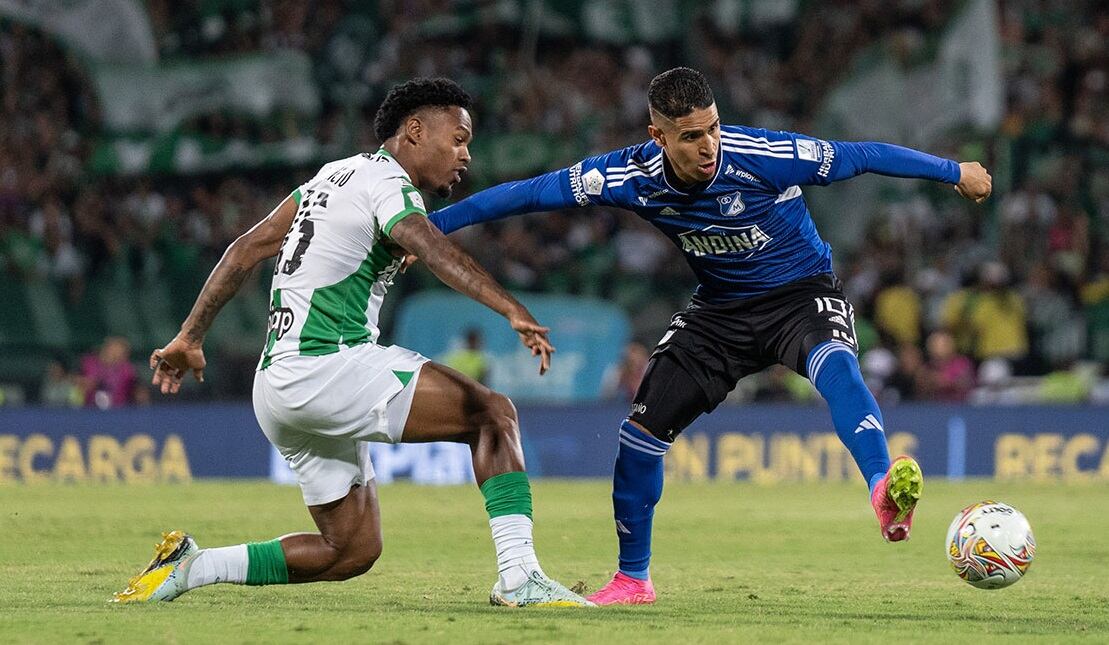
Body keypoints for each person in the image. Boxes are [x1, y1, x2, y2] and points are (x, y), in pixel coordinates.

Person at [428, 67, 992, 604]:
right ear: (658, 136)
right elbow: (525, 194)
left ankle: (880, 487)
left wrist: (953, 171)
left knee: (837, 365)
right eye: (692, 137)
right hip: (719, 315)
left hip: (800, 295)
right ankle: (632, 579)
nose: (709, 146)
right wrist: (429, 230)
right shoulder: (626, 176)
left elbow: (862, 155)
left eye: (714, 128)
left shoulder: (764, 156)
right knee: (638, 436)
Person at [111, 78, 591, 608]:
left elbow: (245, 250)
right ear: (414, 131)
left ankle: (191, 567)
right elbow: (428, 245)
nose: (466, 156)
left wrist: (190, 335)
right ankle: (520, 576)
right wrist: (511, 308)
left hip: (276, 389)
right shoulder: (389, 184)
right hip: (327, 364)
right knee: (493, 416)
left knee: (350, 549)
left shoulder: (330, 177)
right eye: (457, 139)